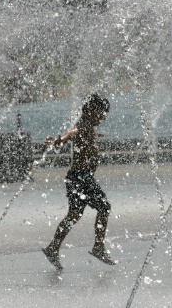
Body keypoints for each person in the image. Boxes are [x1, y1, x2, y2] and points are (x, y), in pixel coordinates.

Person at [42, 93, 116, 271]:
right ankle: (98, 247)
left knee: (74, 215)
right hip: (82, 178)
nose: (102, 118)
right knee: (104, 207)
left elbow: (81, 133)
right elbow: (72, 134)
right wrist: (58, 141)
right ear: (91, 110)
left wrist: (94, 134)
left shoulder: (88, 128)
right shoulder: (81, 128)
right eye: (101, 114)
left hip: (77, 178)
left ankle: (53, 248)